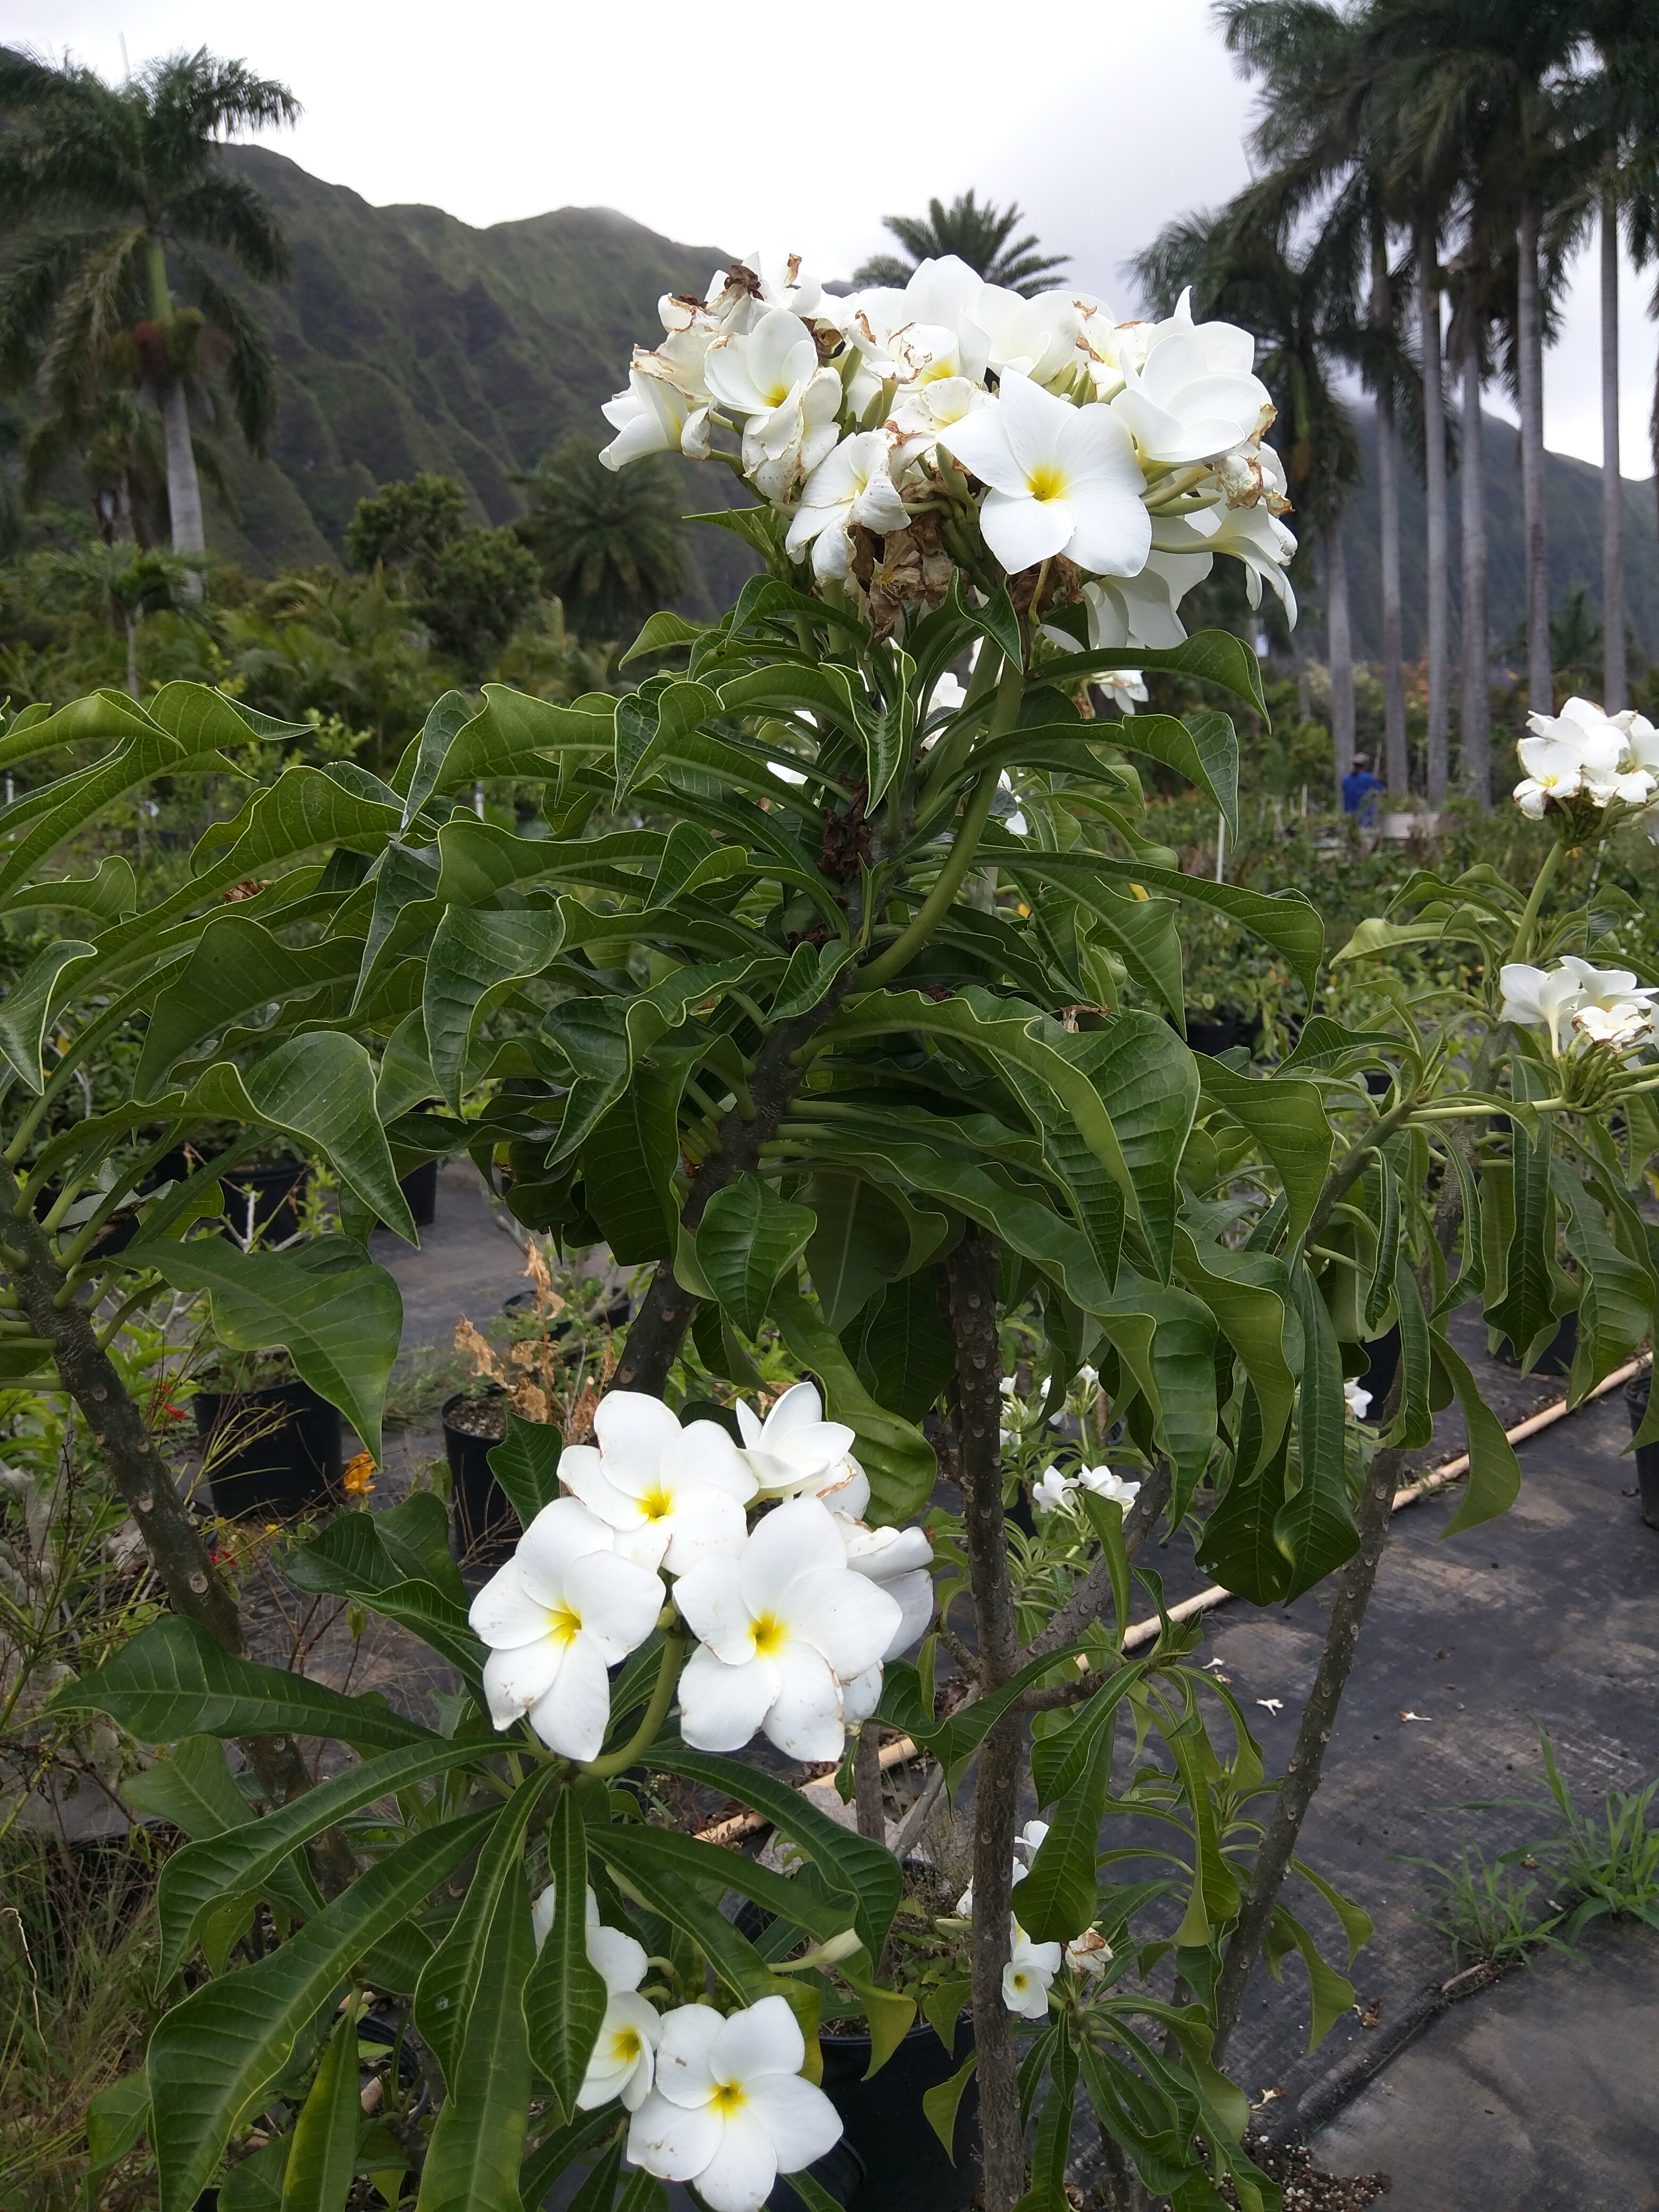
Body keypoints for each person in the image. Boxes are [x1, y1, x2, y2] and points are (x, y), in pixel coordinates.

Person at [1340, 752, 1385, 824]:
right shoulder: (1368, 777)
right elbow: (1383, 791)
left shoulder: (1345, 779)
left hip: (1348, 815)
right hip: (1365, 816)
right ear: (1365, 765)